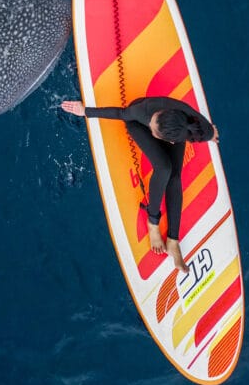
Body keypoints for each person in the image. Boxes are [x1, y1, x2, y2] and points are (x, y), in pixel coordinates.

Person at [61, 97, 219, 273]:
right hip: (136, 122)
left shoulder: (197, 130)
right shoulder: (144, 112)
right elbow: (121, 113)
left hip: (172, 128)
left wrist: (211, 135)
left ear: (171, 142)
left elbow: (207, 131)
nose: (151, 123)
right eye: (153, 122)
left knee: (175, 176)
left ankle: (173, 240)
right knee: (164, 168)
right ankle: (153, 222)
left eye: (153, 128)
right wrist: (85, 111)